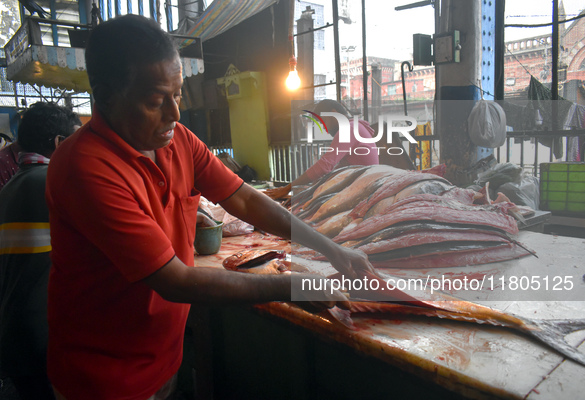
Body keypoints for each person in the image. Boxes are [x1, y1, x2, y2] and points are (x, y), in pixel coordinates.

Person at [45, 15, 373, 400]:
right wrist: (297, 286)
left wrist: (331, 249)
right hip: (102, 378)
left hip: (163, 358)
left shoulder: (177, 139)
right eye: (155, 101)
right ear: (105, 95)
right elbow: (176, 281)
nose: (175, 113)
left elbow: (247, 199)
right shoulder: (85, 167)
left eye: (178, 94)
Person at [0, 102, 81, 400]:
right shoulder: (53, 183)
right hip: (44, 340)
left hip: (13, 337)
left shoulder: (9, 189)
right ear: (61, 144)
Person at [265, 99, 379, 200]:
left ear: (334, 113)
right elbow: (336, 168)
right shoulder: (354, 126)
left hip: (363, 190)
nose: (324, 128)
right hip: (362, 185)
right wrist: (314, 185)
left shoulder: (349, 129)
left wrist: (287, 188)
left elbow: (324, 166)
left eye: (322, 122)